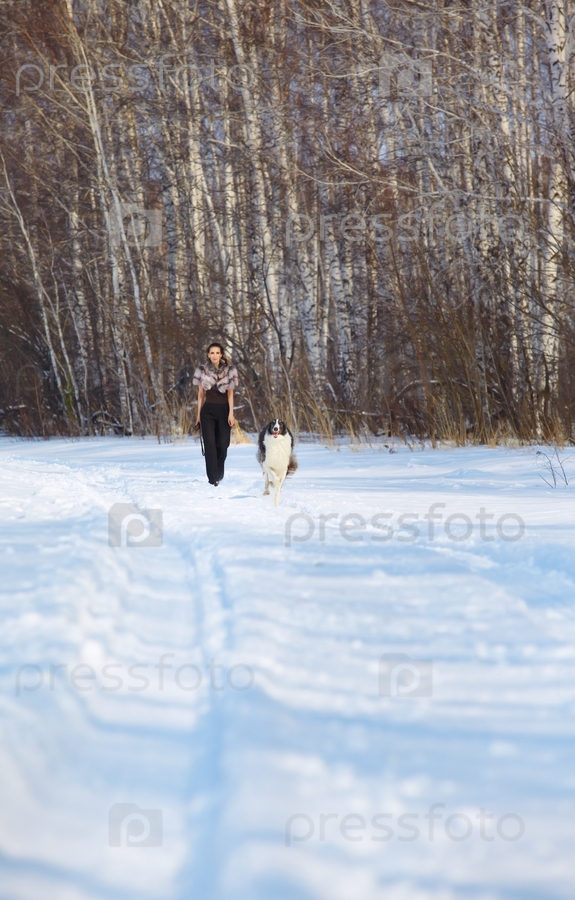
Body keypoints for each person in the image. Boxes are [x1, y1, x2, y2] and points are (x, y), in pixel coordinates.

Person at [193, 343, 239, 486]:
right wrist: (198, 415)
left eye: (217, 353)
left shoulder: (229, 370)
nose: (214, 355)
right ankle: (213, 478)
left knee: (223, 444)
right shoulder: (202, 370)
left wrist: (231, 414)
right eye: (211, 353)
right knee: (210, 444)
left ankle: (219, 472)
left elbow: (230, 393)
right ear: (208, 354)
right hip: (207, 411)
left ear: (221, 354)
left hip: (224, 410)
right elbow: (201, 394)